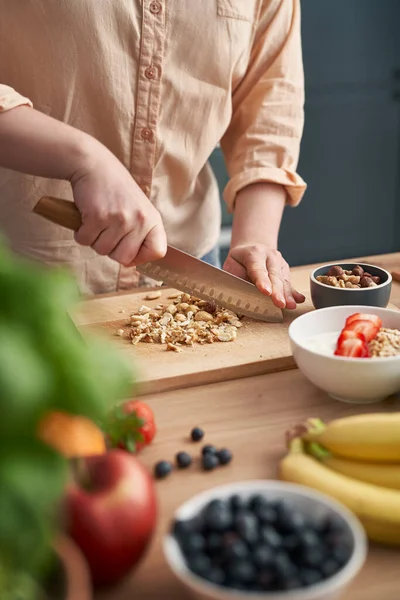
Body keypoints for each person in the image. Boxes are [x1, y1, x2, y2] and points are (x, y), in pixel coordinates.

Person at [0, 0, 306, 309]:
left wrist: (256, 239)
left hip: (192, 267)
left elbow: (270, 106)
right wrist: (84, 160)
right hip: (22, 269)